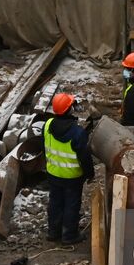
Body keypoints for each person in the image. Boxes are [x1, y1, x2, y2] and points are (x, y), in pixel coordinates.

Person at [43, 92, 93, 245]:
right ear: (69, 109)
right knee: (71, 204)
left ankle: (53, 232)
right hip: (72, 177)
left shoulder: (48, 125)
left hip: (53, 174)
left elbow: (44, 147)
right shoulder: (77, 133)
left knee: (55, 203)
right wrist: (90, 173)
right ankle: (69, 235)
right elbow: (84, 157)